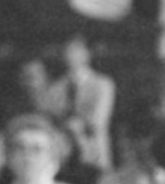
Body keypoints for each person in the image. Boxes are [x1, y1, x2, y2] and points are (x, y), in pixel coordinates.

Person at [49, 34, 116, 171]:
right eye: (67, 51)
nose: (71, 55)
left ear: (87, 54)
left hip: (94, 155)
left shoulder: (102, 84)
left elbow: (98, 121)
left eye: (76, 51)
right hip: (64, 157)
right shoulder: (56, 89)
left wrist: (74, 124)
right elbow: (52, 120)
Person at [0, 113, 86, 184]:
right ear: (10, 157)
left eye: (37, 149)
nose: (28, 156)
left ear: (52, 157)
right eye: (21, 148)